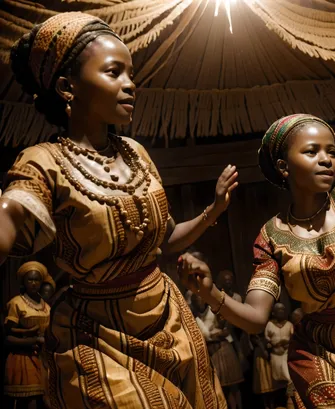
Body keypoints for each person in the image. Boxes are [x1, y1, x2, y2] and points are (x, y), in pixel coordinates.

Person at [178, 17, 335, 409]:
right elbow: (256, 318)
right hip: (317, 353)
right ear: (284, 167)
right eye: (312, 152)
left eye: (332, 152)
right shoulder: (271, 235)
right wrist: (207, 291)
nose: (327, 160)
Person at [0, 12, 238, 408]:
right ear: (66, 86)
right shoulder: (43, 161)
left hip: (169, 318)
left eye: (131, 75)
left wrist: (212, 212)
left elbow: (163, 240)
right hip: (98, 333)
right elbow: (12, 216)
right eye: (114, 73)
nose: (130, 85)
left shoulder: (137, 154)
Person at [3, 262, 52, 409]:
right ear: (24, 281)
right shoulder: (16, 303)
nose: (33, 283)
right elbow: (7, 336)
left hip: (42, 357)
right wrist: (32, 339)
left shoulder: (46, 307)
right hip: (22, 357)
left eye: (37, 280)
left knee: (43, 399)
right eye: (30, 280)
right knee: (29, 400)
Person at [192, 291, 244, 409]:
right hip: (210, 352)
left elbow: (227, 327)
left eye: (199, 299)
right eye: (194, 301)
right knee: (221, 387)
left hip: (223, 348)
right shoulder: (194, 317)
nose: (197, 303)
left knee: (233, 385)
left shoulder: (213, 311)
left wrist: (219, 333)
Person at [264, 303, 293, 384]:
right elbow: (267, 339)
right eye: (279, 310)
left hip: (286, 354)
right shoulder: (269, 324)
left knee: (289, 378)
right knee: (276, 379)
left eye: (283, 310)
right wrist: (270, 344)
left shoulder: (289, 324)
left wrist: (287, 343)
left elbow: (293, 338)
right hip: (275, 354)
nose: (281, 312)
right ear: (273, 313)